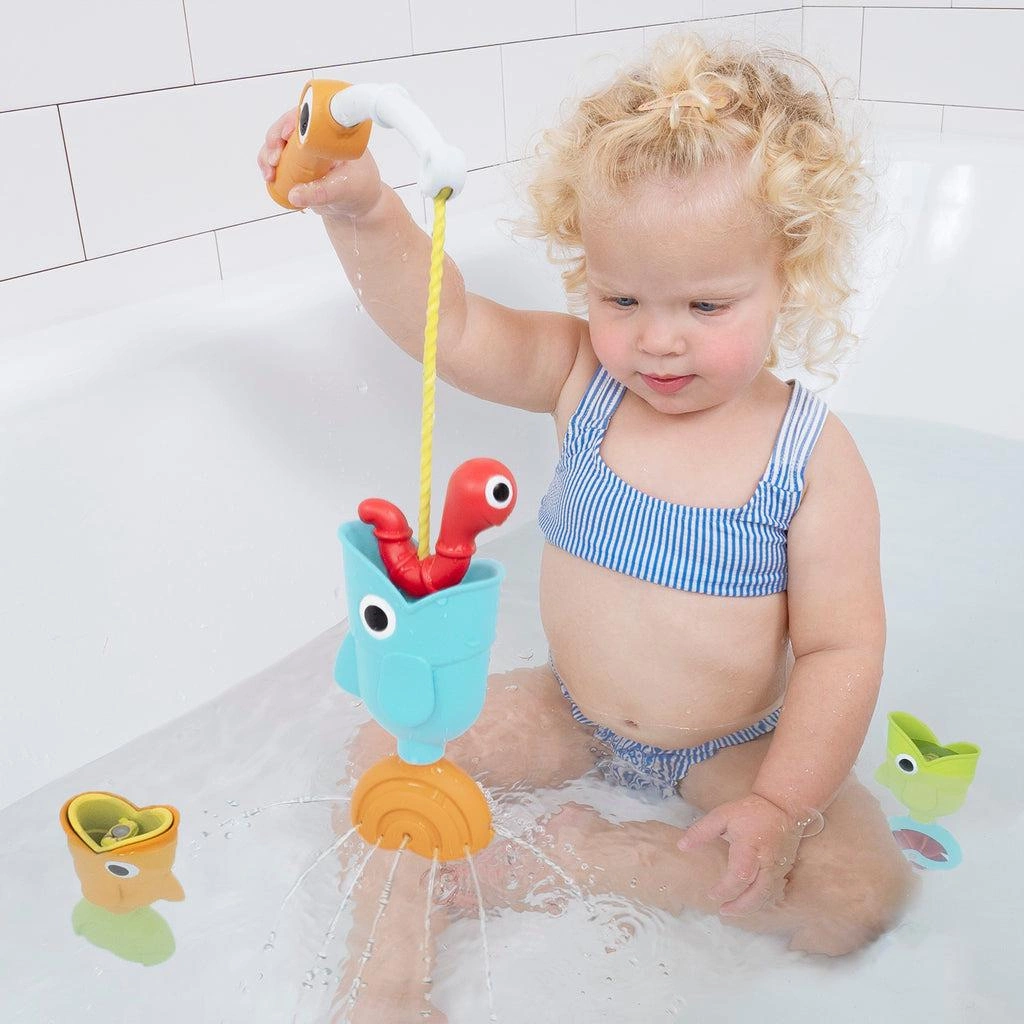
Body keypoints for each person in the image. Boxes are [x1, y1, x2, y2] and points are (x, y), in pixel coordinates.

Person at [257, 31, 916, 994]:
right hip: (572, 712)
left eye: (706, 306)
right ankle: (388, 984)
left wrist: (780, 803)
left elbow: (839, 651)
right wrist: (364, 210)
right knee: (384, 755)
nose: (658, 341)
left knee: (856, 894)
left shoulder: (810, 458)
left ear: (791, 275)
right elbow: (450, 327)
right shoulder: (580, 377)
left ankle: (587, 860)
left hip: (733, 748)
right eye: (622, 298)